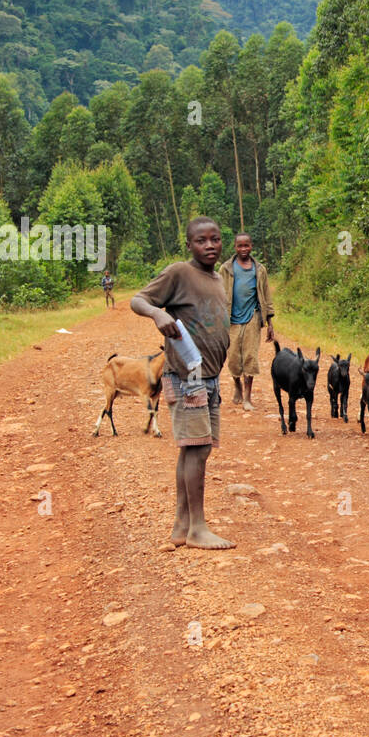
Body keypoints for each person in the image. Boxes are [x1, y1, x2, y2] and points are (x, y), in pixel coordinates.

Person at [129, 217, 235, 550]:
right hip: (189, 376)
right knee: (198, 448)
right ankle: (198, 528)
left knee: (194, 447)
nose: (210, 246)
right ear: (188, 244)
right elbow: (138, 300)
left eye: (215, 239)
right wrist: (159, 314)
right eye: (201, 241)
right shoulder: (179, 272)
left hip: (210, 377)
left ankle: (181, 524)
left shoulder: (217, 277)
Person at [219, 233, 274, 410]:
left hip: (252, 317)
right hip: (231, 320)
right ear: (235, 247)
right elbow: (218, 294)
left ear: (251, 246)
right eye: (240, 246)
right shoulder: (226, 269)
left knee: (250, 357)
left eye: (246, 246)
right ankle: (237, 386)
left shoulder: (259, 270)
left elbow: (266, 296)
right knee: (234, 358)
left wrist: (270, 323)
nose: (243, 249)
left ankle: (248, 398)